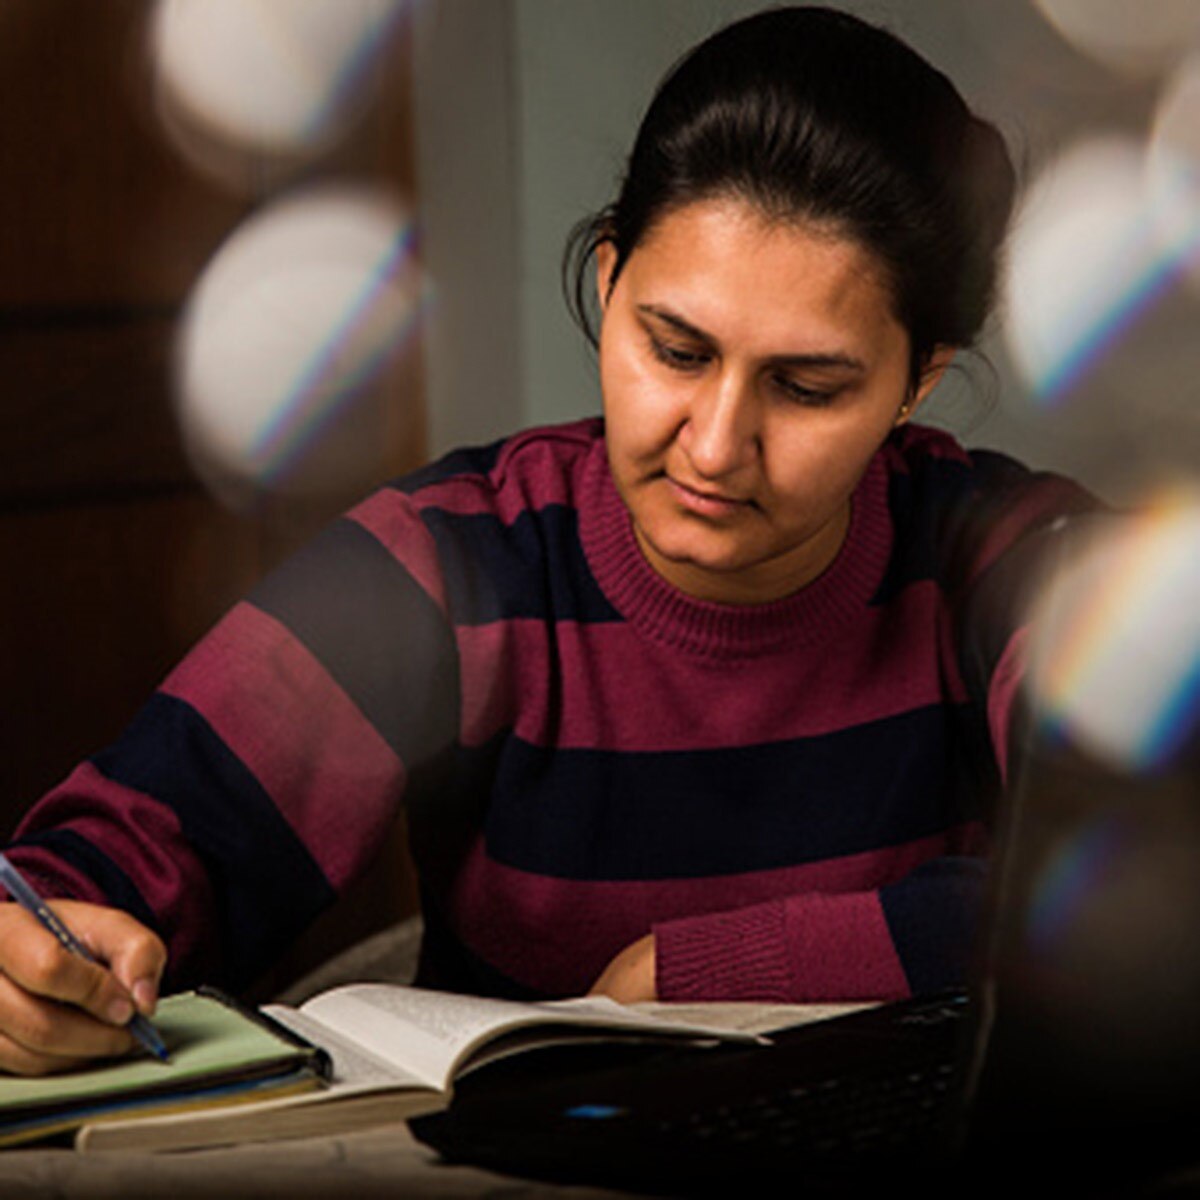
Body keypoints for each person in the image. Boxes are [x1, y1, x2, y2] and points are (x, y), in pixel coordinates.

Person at [0, 4, 1100, 1076]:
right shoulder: (447, 564)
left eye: (807, 388)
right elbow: (118, 860)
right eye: (674, 349)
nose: (715, 447)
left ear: (919, 384)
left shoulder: (1003, 556)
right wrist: (34, 959)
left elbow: (1151, 879)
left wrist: (715, 968)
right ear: (611, 281)